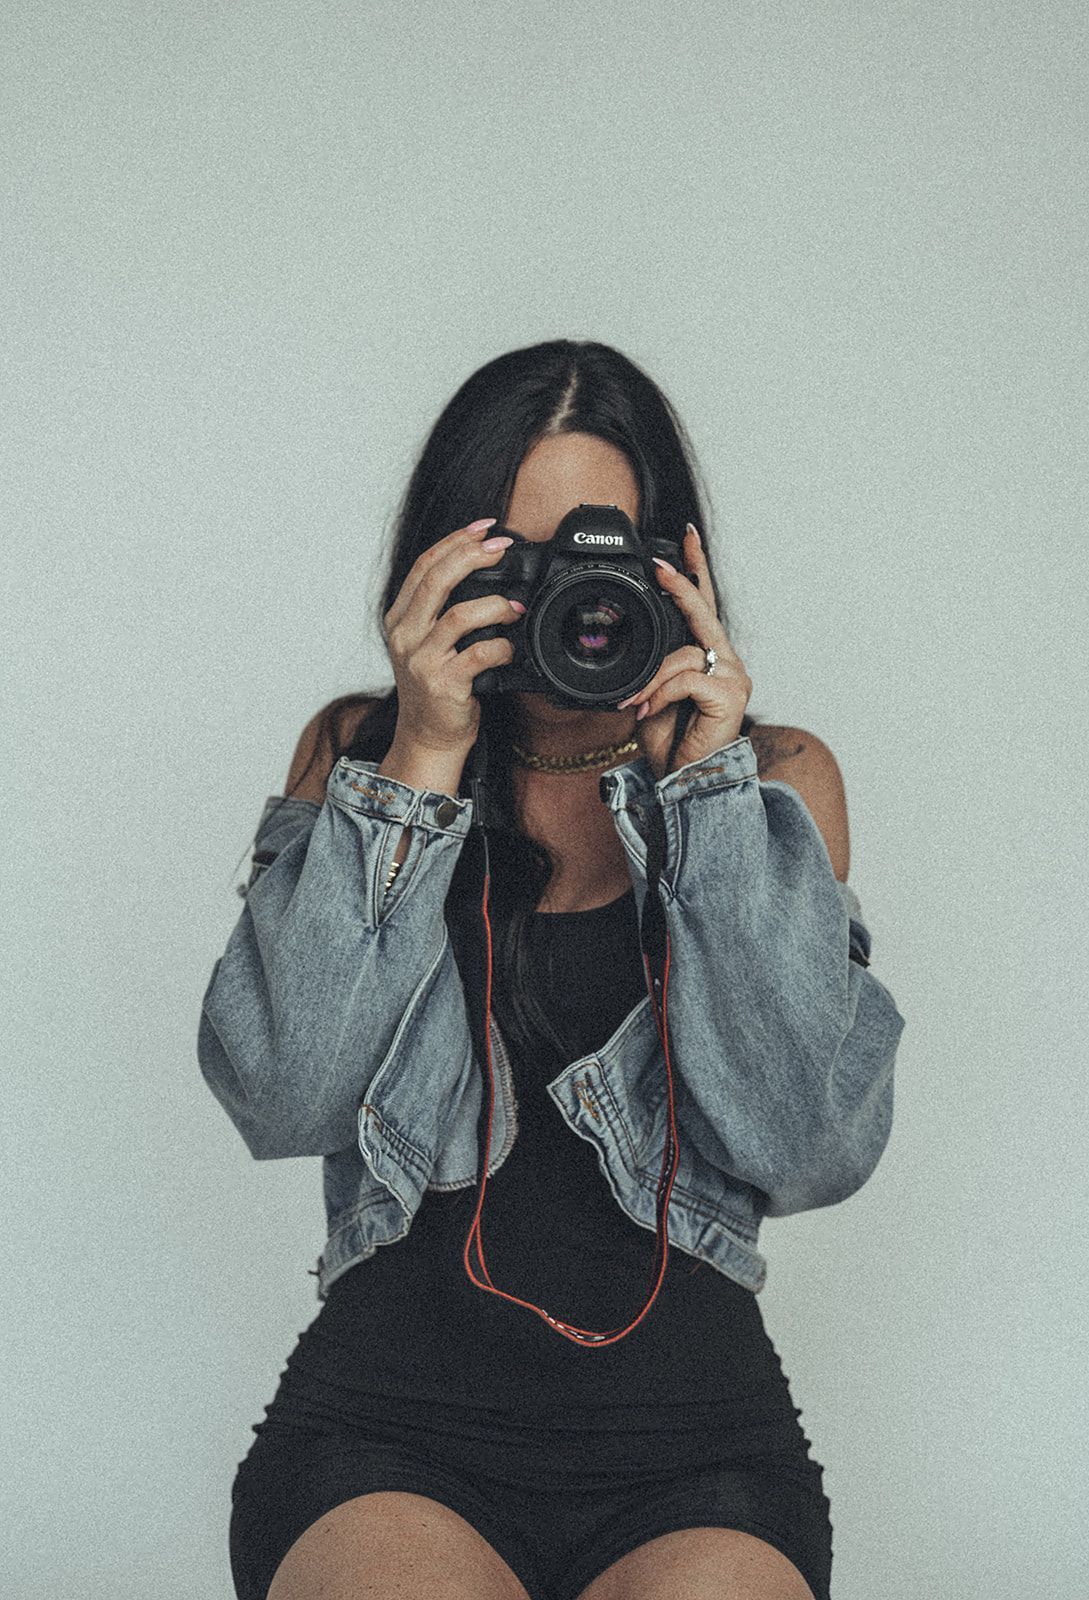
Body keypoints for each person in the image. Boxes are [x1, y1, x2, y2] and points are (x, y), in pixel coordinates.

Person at [200, 339, 906, 1600]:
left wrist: (703, 793)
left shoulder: (776, 780)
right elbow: (283, 1093)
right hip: (383, 1439)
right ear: (444, 566)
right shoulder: (362, 754)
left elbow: (810, 1147)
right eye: (521, 566)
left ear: (672, 568)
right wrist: (419, 756)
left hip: (698, 1452)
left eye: (604, 560)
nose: (571, 607)